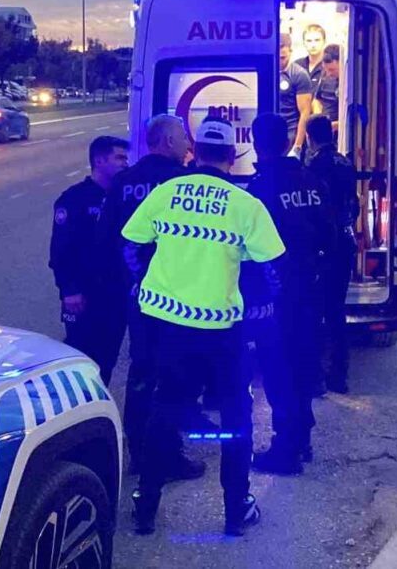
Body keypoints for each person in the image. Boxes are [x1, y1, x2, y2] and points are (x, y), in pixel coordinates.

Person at [122, 116, 286, 537]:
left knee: (165, 411)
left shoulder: (166, 192)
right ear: (232, 157)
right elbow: (272, 271)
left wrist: (144, 284)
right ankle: (236, 510)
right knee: (236, 417)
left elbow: (131, 245)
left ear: (194, 153)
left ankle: (146, 506)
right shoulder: (244, 205)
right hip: (221, 332)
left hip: (168, 328)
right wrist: (263, 309)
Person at [96, 114, 203, 480]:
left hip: (136, 295)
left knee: (141, 372)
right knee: (175, 374)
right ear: (168, 141)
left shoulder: (124, 182)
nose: (189, 144)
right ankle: (168, 454)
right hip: (179, 297)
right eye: (183, 138)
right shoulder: (183, 183)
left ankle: (139, 453)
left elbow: (107, 239)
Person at [245, 113, 336, 475]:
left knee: (279, 371)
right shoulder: (313, 180)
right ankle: (304, 438)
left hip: (276, 295)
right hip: (309, 288)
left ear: (255, 143)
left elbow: (249, 251)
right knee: (303, 364)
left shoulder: (259, 189)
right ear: (286, 143)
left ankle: (286, 450)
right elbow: (332, 235)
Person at [48, 135, 129, 384]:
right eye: (119, 158)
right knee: (80, 355)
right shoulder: (74, 199)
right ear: (99, 160)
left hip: (115, 294)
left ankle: (95, 408)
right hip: (83, 295)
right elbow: (61, 251)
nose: (125, 163)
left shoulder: (124, 197)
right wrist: (69, 290)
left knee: (107, 358)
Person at [304, 114, 358, 393]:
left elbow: (314, 210)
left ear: (311, 138)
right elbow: (354, 204)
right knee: (336, 311)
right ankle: (340, 375)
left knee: (313, 312)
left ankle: (314, 378)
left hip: (323, 246)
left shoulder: (314, 166)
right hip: (345, 243)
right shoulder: (345, 162)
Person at [280, 33, 314, 155]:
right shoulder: (269, 71)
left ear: (290, 51)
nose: (280, 61)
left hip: (290, 133)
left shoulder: (299, 74)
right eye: (277, 57)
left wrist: (297, 146)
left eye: (283, 57)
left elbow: (305, 113)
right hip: (271, 133)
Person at [295, 23, 328, 94]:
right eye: (309, 41)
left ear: (324, 41)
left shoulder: (330, 67)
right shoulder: (297, 66)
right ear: (304, 43)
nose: (313, 45)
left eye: (317, 40)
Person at [313, 44, 342, 124]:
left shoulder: (350, 83)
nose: (328, 74)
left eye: (332, 70)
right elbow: (317, 100)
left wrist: (337, 124)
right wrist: (318, 118)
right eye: (326, 70)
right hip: (324, 126)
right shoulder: (324, 76)